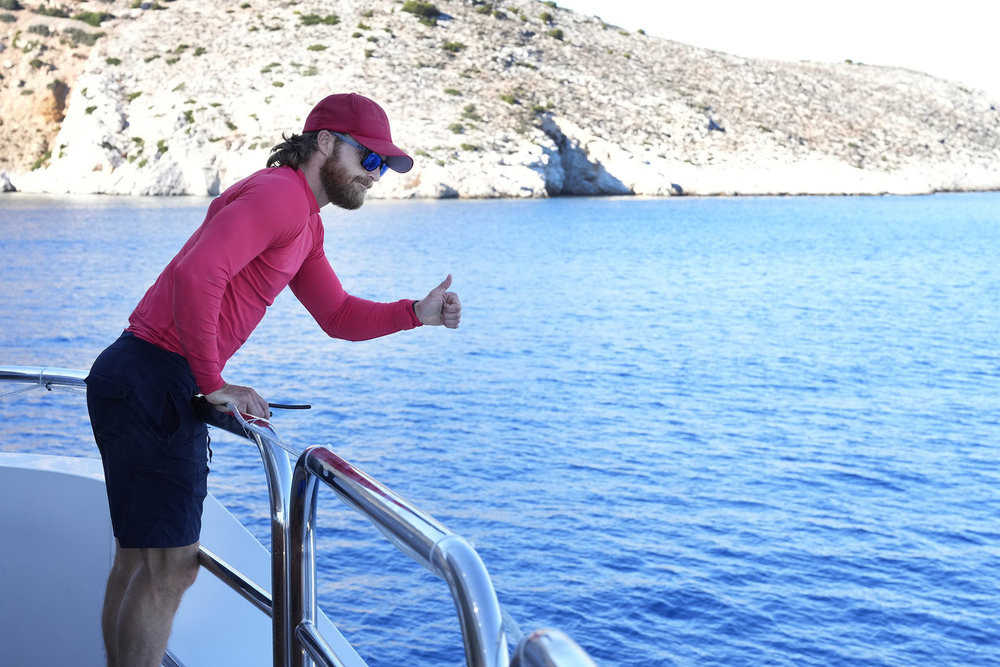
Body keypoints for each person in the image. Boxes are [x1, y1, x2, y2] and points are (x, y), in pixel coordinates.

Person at [85, 93, 461, 667]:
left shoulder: (304, 223)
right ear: (327, 143)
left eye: (382, 167)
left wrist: (416, 312)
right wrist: (212, 383)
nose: (374, 176)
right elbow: (198, 273)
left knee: (140, 561)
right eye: (369, 160)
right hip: (155, 376)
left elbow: (337, 315)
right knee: (171, 567)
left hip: (138, 373)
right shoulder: (282, 194)